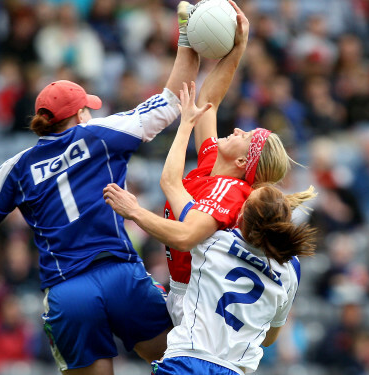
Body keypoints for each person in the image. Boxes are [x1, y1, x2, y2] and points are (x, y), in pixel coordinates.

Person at [0, 4, 201, 375]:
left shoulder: (17, 166)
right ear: (78, 116)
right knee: (188, 372)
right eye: (86, 108)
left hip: (68, 293)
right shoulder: (100, 134)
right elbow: (175, 100)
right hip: (120, 275)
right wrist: (187, 39)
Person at [105, 82, 317, 375]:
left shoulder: (215, 240)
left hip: (187, 362)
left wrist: (135, 212)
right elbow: (270, 337)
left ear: (242, 217)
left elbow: (170, 185)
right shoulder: (291, 268)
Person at [105, 0, 294, 327]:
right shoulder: (214, 162)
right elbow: (207, 101)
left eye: (244, 136)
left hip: (198, 302)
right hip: (181, 292)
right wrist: (238, 49)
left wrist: (135, 212)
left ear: (240, 161)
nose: (236, 129)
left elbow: (185, 234)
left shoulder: (232, 190)